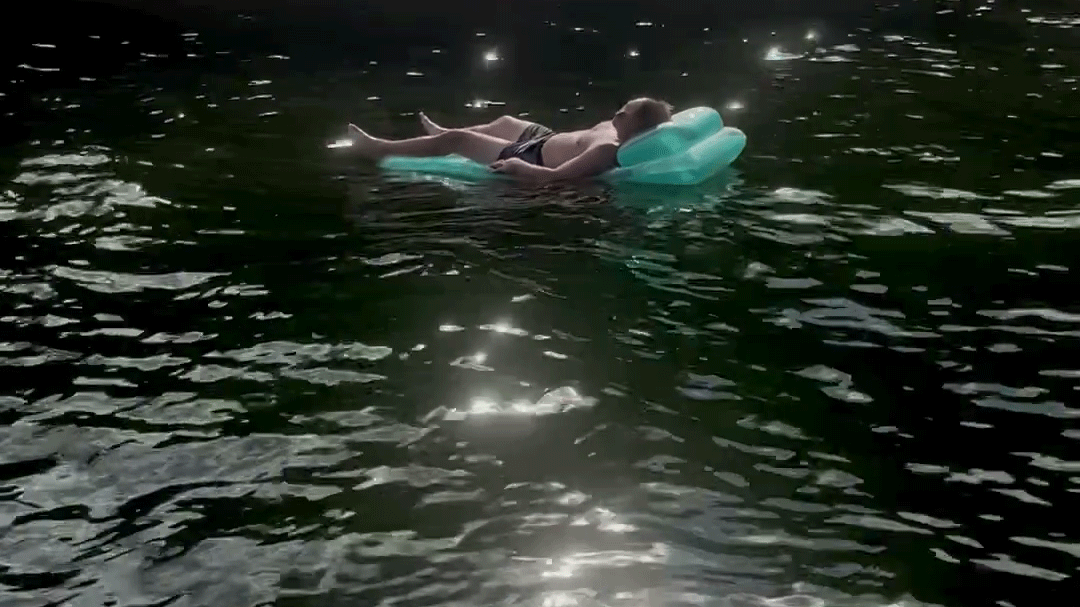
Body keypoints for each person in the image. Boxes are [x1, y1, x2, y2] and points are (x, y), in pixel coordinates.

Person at [348, 97, 673, 183]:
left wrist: (519, 167)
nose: (617, 113)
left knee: (459, 140)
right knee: (504, 120)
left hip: (531, 155)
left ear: (634, 126)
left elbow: (555, 178)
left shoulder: (606, 150)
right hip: (547, 137)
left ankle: (378, 148)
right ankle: (437, 134)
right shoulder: (613, 129)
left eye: (625, 113)